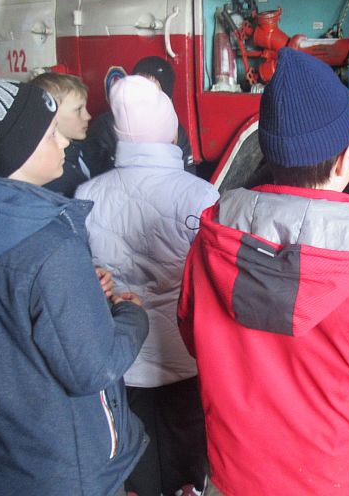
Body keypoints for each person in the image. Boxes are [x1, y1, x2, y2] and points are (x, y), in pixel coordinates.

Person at [178, 47, 349, 496]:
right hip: (332, 467)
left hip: (235, 460)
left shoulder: (212, 237)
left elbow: (191, 333)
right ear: (345, 158)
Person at [0, 76, 150, 496]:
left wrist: (75, 294)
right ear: (17, 151)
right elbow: (93, 367)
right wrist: (132, 316)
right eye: (50, 134)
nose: (63, 143)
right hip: (56, 467)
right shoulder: (50, 247)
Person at [76, 75, 219, 496]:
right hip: (188, 348)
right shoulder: (201, 195)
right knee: (188, 435)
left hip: (124, 348)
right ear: (170, 130)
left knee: (134, 437)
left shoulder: (87, 193)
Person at [82, 56, 196, 175]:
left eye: (153, 90)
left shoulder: (175, 129)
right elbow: (93, 174)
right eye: (140, 84)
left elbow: (188, 174)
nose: (144, 92)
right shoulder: (105, 126)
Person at [30, 72, 93, 197]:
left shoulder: (78, 147)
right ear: (50, 115)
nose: (88, 116)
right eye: (78, 110)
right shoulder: (51, 173)